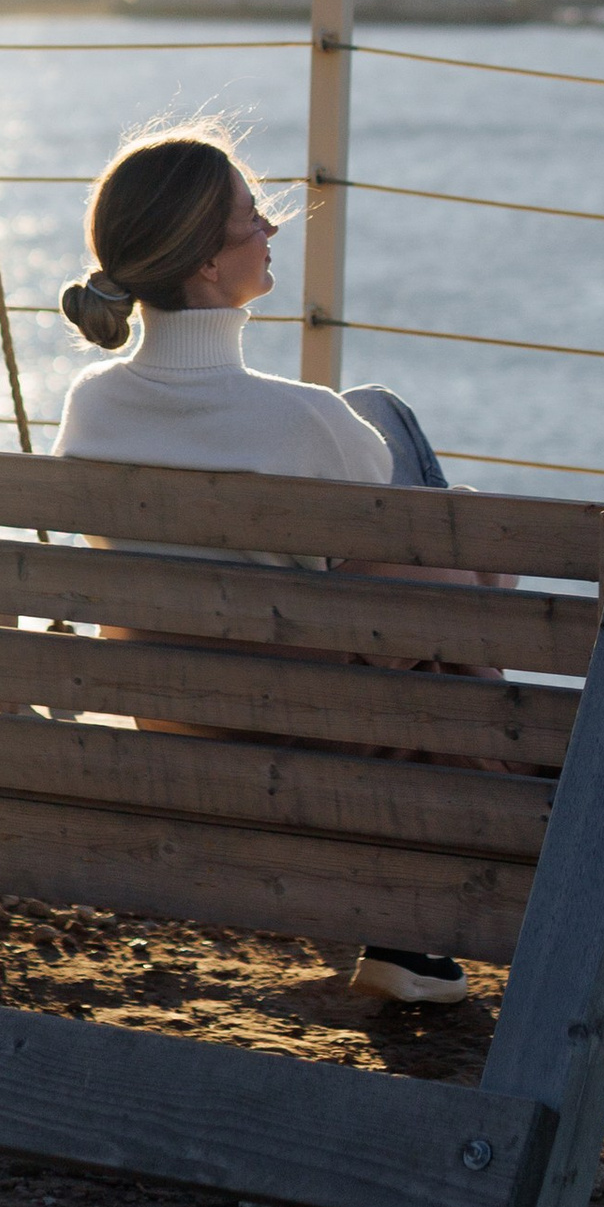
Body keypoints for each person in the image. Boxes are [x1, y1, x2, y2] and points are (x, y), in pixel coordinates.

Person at [55, 121, 475, 1007]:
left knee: (379, 427)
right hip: (312, 733)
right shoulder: (304, 423)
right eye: (253, 218)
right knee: (427, 501)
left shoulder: (89, 410)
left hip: (183, 724)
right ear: (209, 264)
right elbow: (435, 591)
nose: (272, 230)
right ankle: (523, 772)